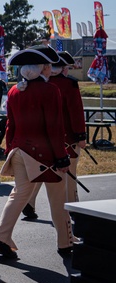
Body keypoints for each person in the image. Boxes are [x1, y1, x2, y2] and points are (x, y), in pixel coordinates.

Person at [0, 46, 73, 261]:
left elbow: (10, 125)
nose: (50, 69)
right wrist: (61, 156)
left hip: (19, 150)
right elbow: (53, 127)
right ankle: (65, 242)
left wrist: (9, 147)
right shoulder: (50, 90)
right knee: (57, 199)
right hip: (45, 154)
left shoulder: (14, 91)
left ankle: (2, 235)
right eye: (48, 66)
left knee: (18, 195)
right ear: (43, 68)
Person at [22, 50, 87, 221]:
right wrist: (81, 135)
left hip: (42, 139)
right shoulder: (70, 84)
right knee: (70, 174)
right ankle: (75, 206)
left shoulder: (38, 83)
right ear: (64, 68)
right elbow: (76, 113)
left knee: (43, 170)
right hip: (67, 137)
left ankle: (29, 202)